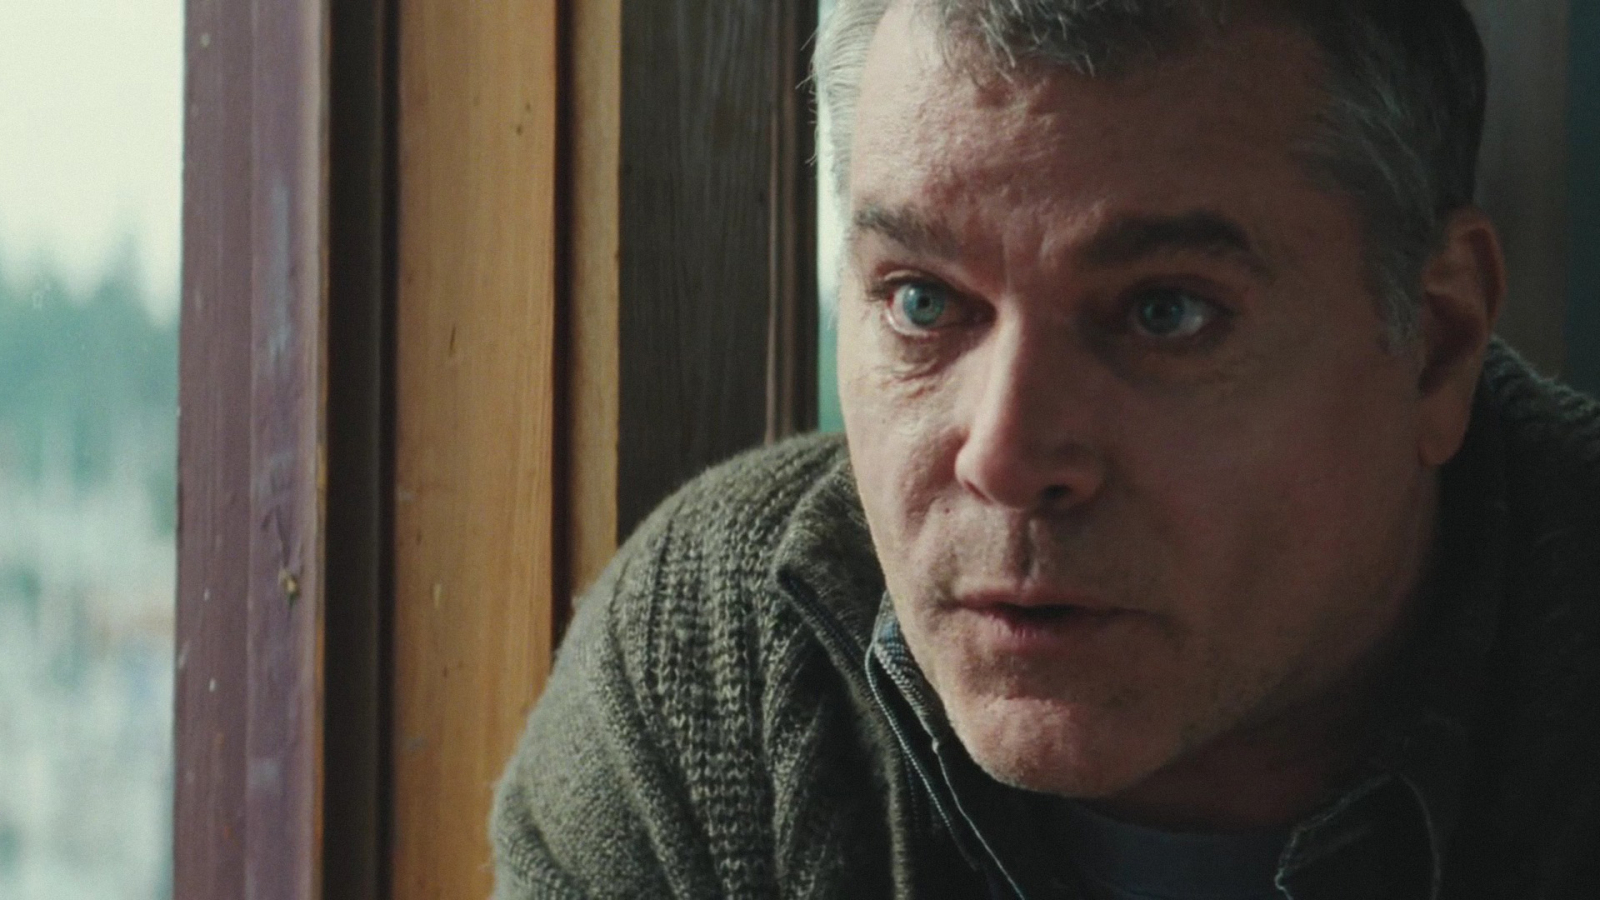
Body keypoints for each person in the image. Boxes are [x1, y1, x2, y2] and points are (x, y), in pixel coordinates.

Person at [492, 1, 1600, 897]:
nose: (1009, 457)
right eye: (923, 302)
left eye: (1165, 312)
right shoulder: (720, 648)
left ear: (1435, 345)